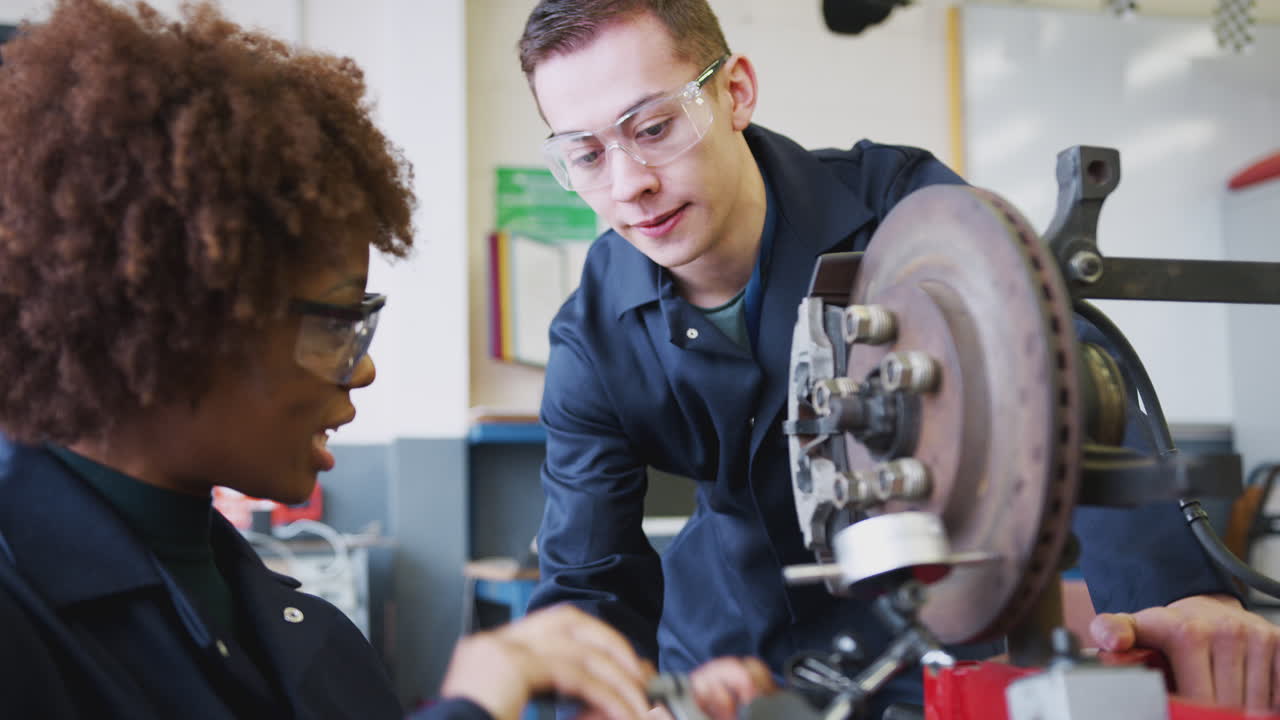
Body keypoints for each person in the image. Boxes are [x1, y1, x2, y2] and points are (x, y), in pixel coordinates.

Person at [0, 2, 773, 719]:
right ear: (180, 327)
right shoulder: (24, 626)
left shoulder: (307, 635)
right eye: (341, 321)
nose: (362, 369)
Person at [517, 0, 1280, 714]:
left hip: (932, 643)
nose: (629, 186)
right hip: (729, 659)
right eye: (585, 154)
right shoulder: (592, 336)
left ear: (736, 93)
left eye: (653, 128)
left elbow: (1055, 374)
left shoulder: (898, 208)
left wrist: (1178, 596)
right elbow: (590, 577)